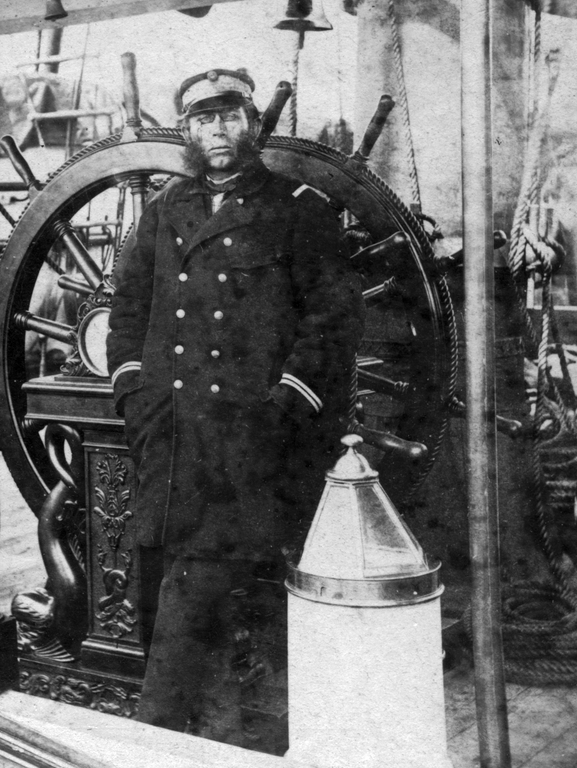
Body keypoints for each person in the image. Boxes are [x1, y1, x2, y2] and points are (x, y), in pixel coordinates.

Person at [106, 69, 363, 750]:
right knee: (158, 595)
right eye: (203, 119)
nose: (218, 130)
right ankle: (210, 738)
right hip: (167, 436)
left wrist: (283, 406)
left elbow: (334, 320)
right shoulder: (166, 210)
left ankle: (152, 739)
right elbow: (127, 309)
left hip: (243, 440)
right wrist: (134, 392)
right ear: (186, 130)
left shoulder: (296, 210)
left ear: (253, 123)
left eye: (231, 116)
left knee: (196, 594)